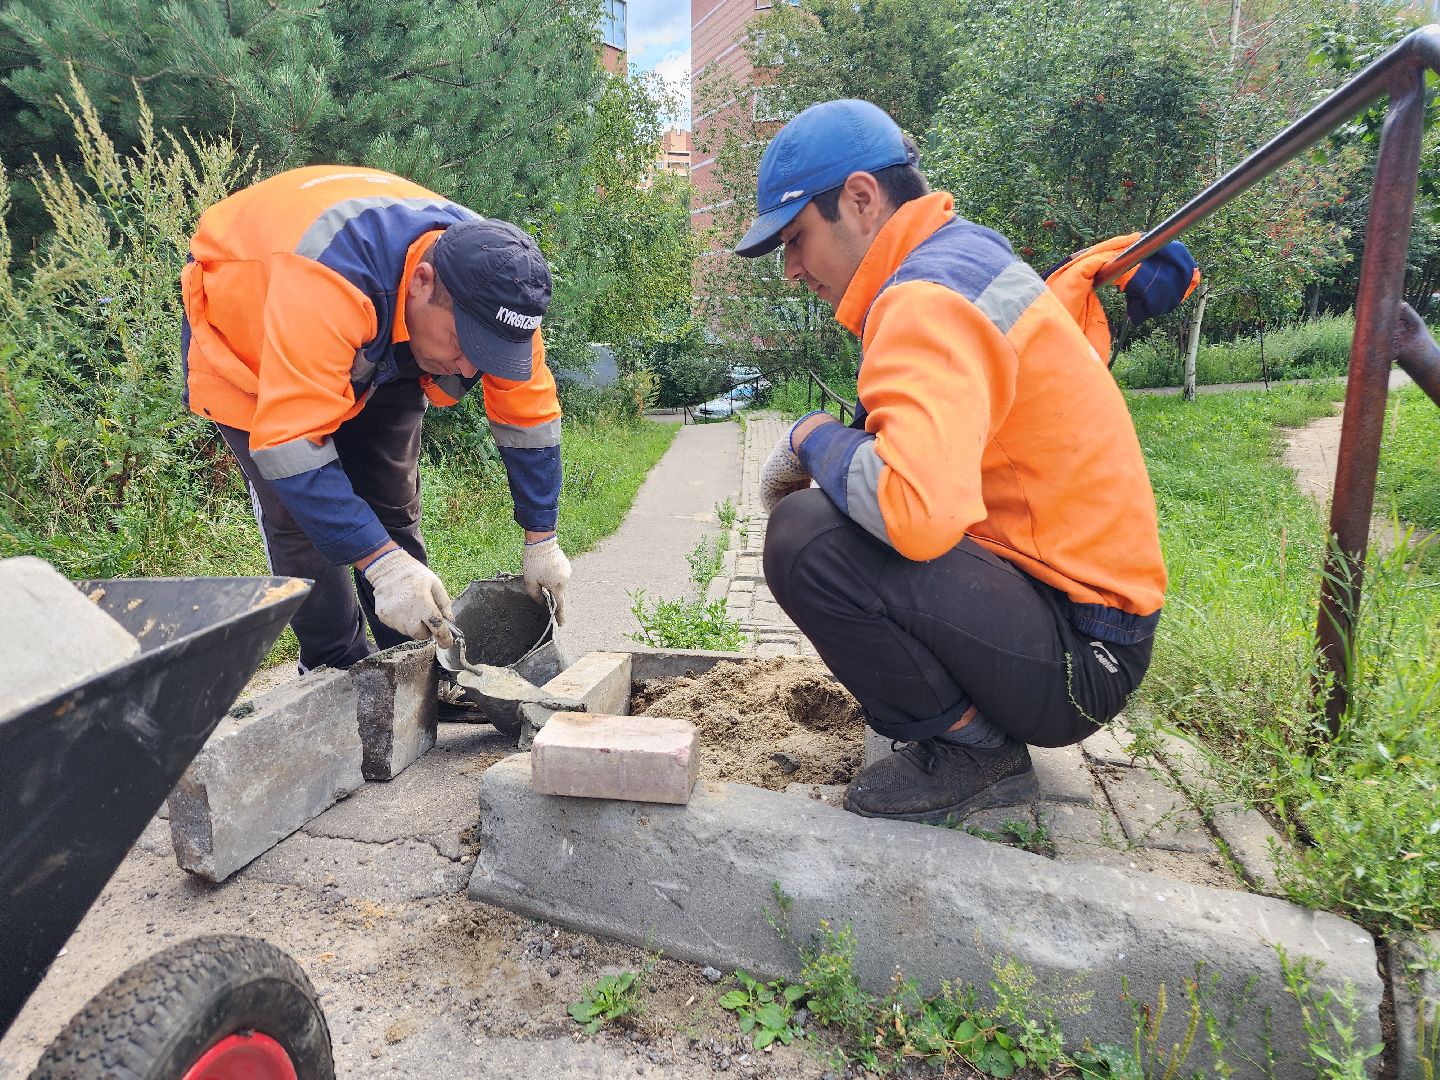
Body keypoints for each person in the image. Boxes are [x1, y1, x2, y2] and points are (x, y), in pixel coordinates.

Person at [735, 100, 1181, 823]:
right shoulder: (963, 255)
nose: (791, 268)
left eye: (795, 238)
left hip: (1079, 660)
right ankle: (968, 721)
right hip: (1091, 625)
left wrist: (811, 436)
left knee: (805, 538)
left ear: (859, 199)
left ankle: (975, 751)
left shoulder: (922, 298)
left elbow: (910, 513)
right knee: (836, 515)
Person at [182, 165, 571, 671]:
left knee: (389, 498)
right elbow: (290, 445)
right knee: (296, 514)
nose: (471, 368)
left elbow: (530, 418)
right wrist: (382, 566)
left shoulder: (500, 290)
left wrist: (543, 539)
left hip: (381, 325)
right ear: (424, 282)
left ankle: (415, 663)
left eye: (489, 352)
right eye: (463, 344)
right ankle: (334, 666)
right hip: (253, 334)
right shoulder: (327, 280)